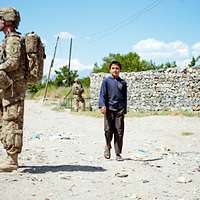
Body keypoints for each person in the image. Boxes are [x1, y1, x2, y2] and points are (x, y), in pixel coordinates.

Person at [0, 7, 26, 172]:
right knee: (5, 122)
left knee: (12, 122)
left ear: (7, 20)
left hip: (13, 90)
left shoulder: (13, 40)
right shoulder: (7, 39)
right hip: (7, 89)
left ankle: (12, 160)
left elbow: (13, 62)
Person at [99, 61, 127, 161]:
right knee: (108, 130)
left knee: (119, 131)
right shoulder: (106, 81)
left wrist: (124, 109)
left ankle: (118, 153)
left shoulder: (123, 83)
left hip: (120, 110)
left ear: (120, 70)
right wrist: (102, 105)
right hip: (109, 109)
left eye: (117, 68)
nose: (115, 70)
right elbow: (102, 94)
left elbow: (125, 97)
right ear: (110, 70)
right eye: (113, 68)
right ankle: (107, 146)